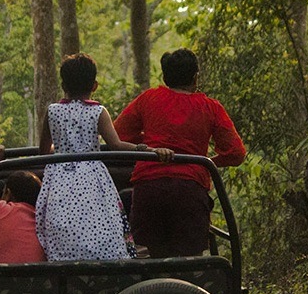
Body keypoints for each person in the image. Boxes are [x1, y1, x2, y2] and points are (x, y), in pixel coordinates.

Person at [36, 53, 173, 261]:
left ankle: (63, 259)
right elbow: (116, 145)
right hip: (93, 177)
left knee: (62, 221)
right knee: (101, 221)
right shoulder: (98, 112)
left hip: (59, 176)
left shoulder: (52, 112)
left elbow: (43, 152)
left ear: (63, 85)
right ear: (94, 85)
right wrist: (146, 149)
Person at [114, 48, 246, 258]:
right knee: (188, 260)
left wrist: (151, 147)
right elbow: (236, 153)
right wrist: (206, 162)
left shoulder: (149, 99)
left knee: (147, 255)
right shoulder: (210, 107)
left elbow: (118, 133)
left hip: (148, 189)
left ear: (165, 77)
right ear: (195, 77)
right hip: (190, 190)